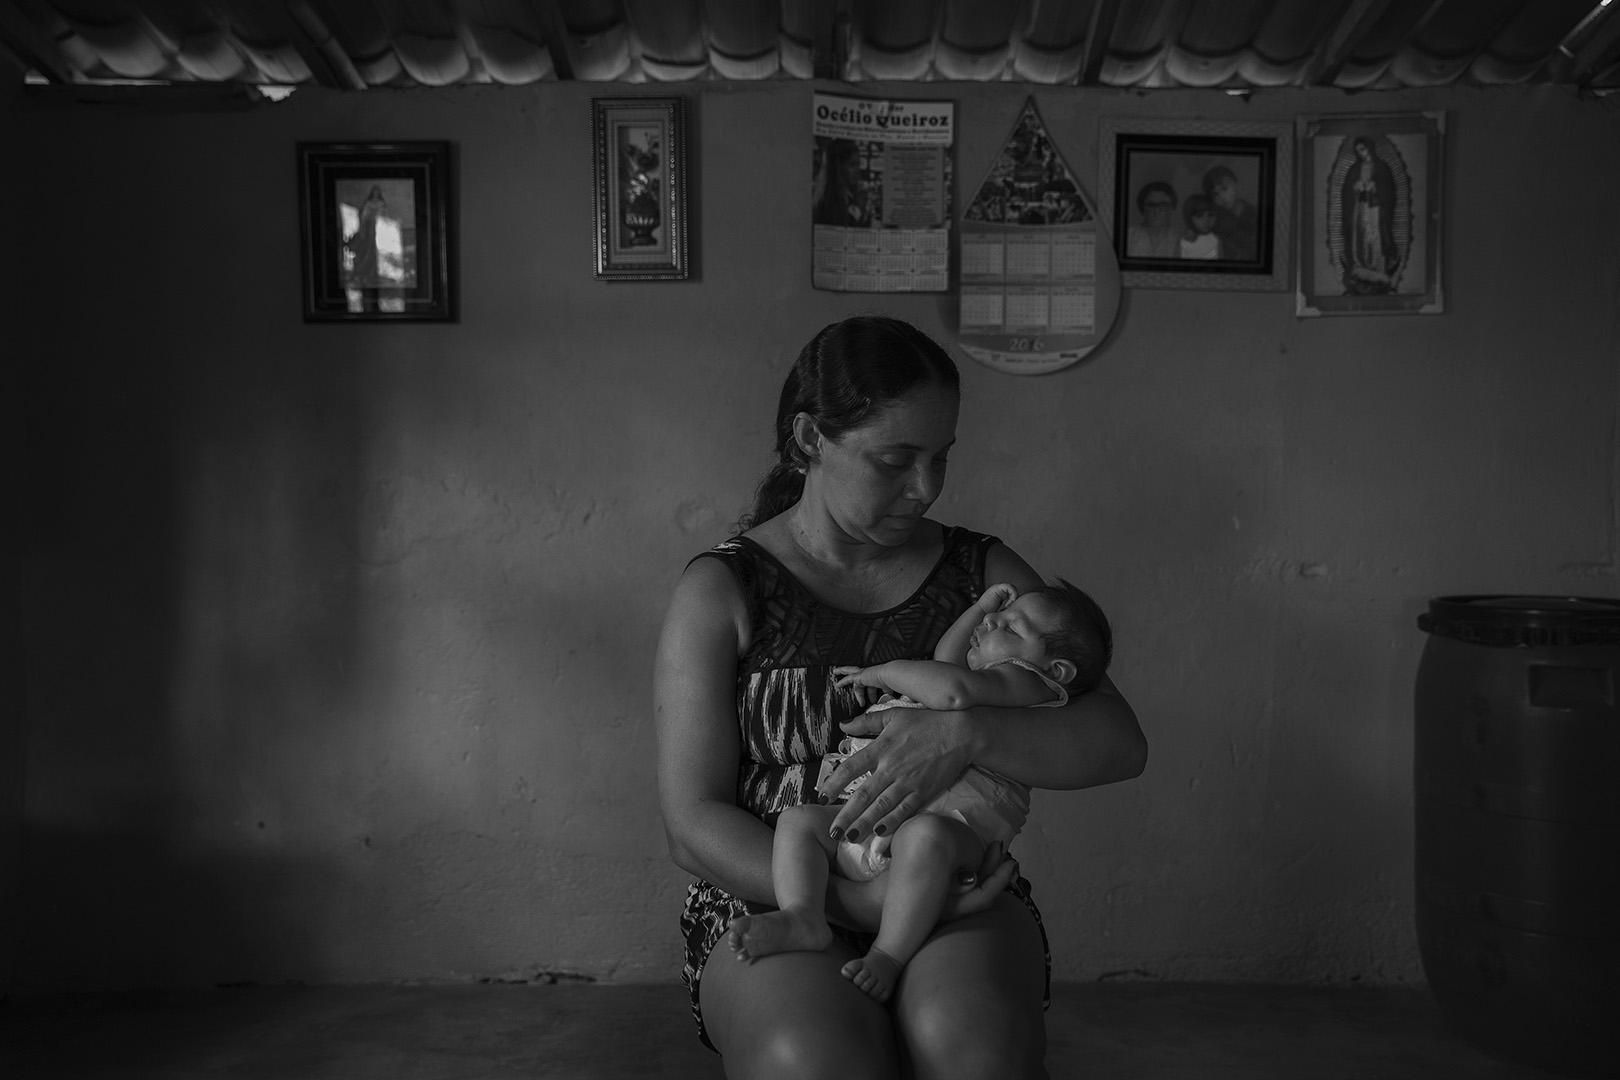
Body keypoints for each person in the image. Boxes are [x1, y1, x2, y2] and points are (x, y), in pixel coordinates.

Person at [653, 314, 1147, 1078]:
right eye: (895, 460)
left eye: (941, 457)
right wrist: (860, 903)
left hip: (946, 878)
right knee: (812, 1059)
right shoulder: (723, 589)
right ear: (811, 439)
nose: (926, 488)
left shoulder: (983, 579)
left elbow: (1119, 742)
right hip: (774, 893)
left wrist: (967, 734)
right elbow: (692, 824)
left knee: (970, 1044)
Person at [724, 579, 1111, 1006]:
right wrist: (980, 608)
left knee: (924, 836)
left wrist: (883, 673)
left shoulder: (1030, 684)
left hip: (948, 836)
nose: (992, 622)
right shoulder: (987, 678)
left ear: (1057, 670)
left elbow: (952, 690)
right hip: (875, 830)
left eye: (1012, 628)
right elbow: (948, 658)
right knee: (798, 821)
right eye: (999, 616)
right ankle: (803, 915)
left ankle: (888, 955)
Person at [1341, 136, 1398, 291]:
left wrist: (1375, 187)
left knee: (1374, 234)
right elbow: (1347, 190)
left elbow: (1389, 190)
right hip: (1360, 205)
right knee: (1360, 233)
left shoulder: (1381, 167)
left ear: (1369, 148)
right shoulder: (1355, 169)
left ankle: (1377, 266)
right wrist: (1356, 187)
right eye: (1358, 151)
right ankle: (1360, 264)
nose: (1361, 153)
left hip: (1375, 208)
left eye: (1363, 149)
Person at [1202, 166, 1258, 263]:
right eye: (1215, 194)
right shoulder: (1216, 221)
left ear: (1236, 185)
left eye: (1224, 189)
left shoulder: (1255, 215)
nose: (1222, 197)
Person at [1125, 181, 1180, 258]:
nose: (1156, 211)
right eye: (1151, 205)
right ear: (1142, 208)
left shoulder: (1179, 240)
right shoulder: (1128, 237)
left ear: (1172, 209)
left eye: (1162, 205)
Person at [1179, 194, 1221, 260]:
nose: (1206, 220)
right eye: (1199, 216)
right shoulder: (1183, 243)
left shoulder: (1216, 239)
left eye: (1210, 215)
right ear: (1189, 218)